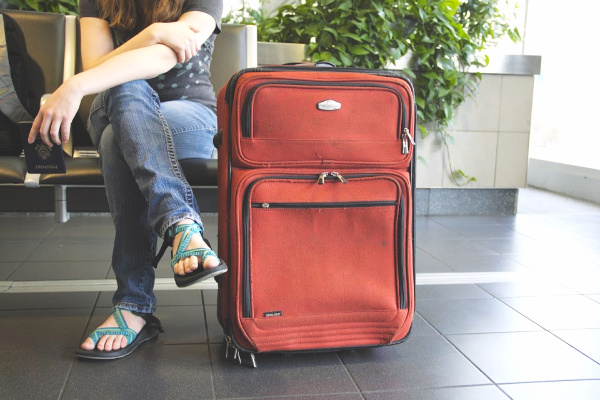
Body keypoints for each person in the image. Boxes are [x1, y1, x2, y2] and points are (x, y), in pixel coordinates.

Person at [28, 0, 226, 359]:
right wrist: (153, 32)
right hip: (112, 107)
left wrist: (73, 87)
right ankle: (181, 224)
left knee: (117, 138)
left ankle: (134, 306)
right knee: (126, 87)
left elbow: (170, 54)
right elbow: (98, 66)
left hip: (188, 116)